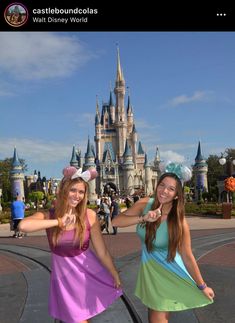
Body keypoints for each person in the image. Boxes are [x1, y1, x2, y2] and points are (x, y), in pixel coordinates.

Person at [112, 163, 215, 323]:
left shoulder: (179, 223)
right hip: (150, 272)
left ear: (176, 195)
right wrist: (143, 218)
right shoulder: (145, 204)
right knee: (154, 316)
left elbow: (187, 256)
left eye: (171, 189)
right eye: (162, 185)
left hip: (168, 272)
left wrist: (202, 286)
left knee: (157, 319)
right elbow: (116, 222)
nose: (164, 191)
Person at [19, 166, 122, 323]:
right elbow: (23, 226)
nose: (77, 196)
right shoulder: (49, 215)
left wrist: (113, 271)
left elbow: (102, 252)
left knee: (80, 319)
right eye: (73, 190)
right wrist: (58, 222)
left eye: (81, 192)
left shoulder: (89, 215)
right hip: (64, 279)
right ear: (63, 190)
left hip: (86, 275)